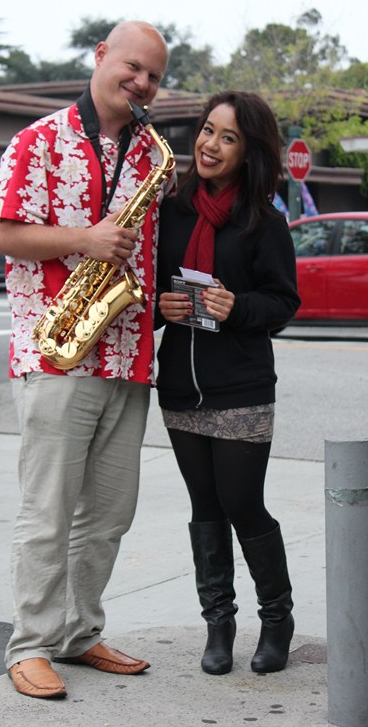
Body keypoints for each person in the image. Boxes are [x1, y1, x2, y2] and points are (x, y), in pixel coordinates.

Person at [0, 20, 172, 700]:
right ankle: (30, 644)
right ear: (100, 56)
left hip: (128, 355)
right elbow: (5, 234)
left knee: (109, 514)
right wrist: (85, 240)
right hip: (58, 353)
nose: (142, 83)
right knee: (49, 510)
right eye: (132, 67)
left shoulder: (152, 153)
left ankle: (77, 630)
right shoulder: (37, 140)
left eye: (154, 76)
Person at [155, 91, 301, 677]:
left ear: (249, 152)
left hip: (241, 388)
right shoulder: (171, 210)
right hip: (180, 388)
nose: (211, 145)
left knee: (243, 504)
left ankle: (277, 619)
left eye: (229, 137)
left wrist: (237, 306)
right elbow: (150, 284)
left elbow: (283, 302)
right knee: (205, 508)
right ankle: (219, 625)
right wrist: (162, 304)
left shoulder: (264, 221)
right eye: (208, 130)